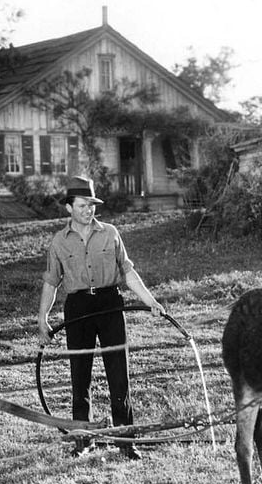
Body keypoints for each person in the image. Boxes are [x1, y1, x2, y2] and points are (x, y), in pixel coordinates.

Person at [37, 175, 166, 461]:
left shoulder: (110, 233)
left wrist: (151, 301)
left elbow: (128, 272)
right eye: (83, 205)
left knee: (119, 374)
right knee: (79, 376)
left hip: (110, 303)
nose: (89, 210)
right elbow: (51, 282)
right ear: (69, 208)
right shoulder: (59, 241)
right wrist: (42, 317)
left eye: (92, 205)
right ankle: (83, 440)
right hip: (78, 308)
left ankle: (125, 439)